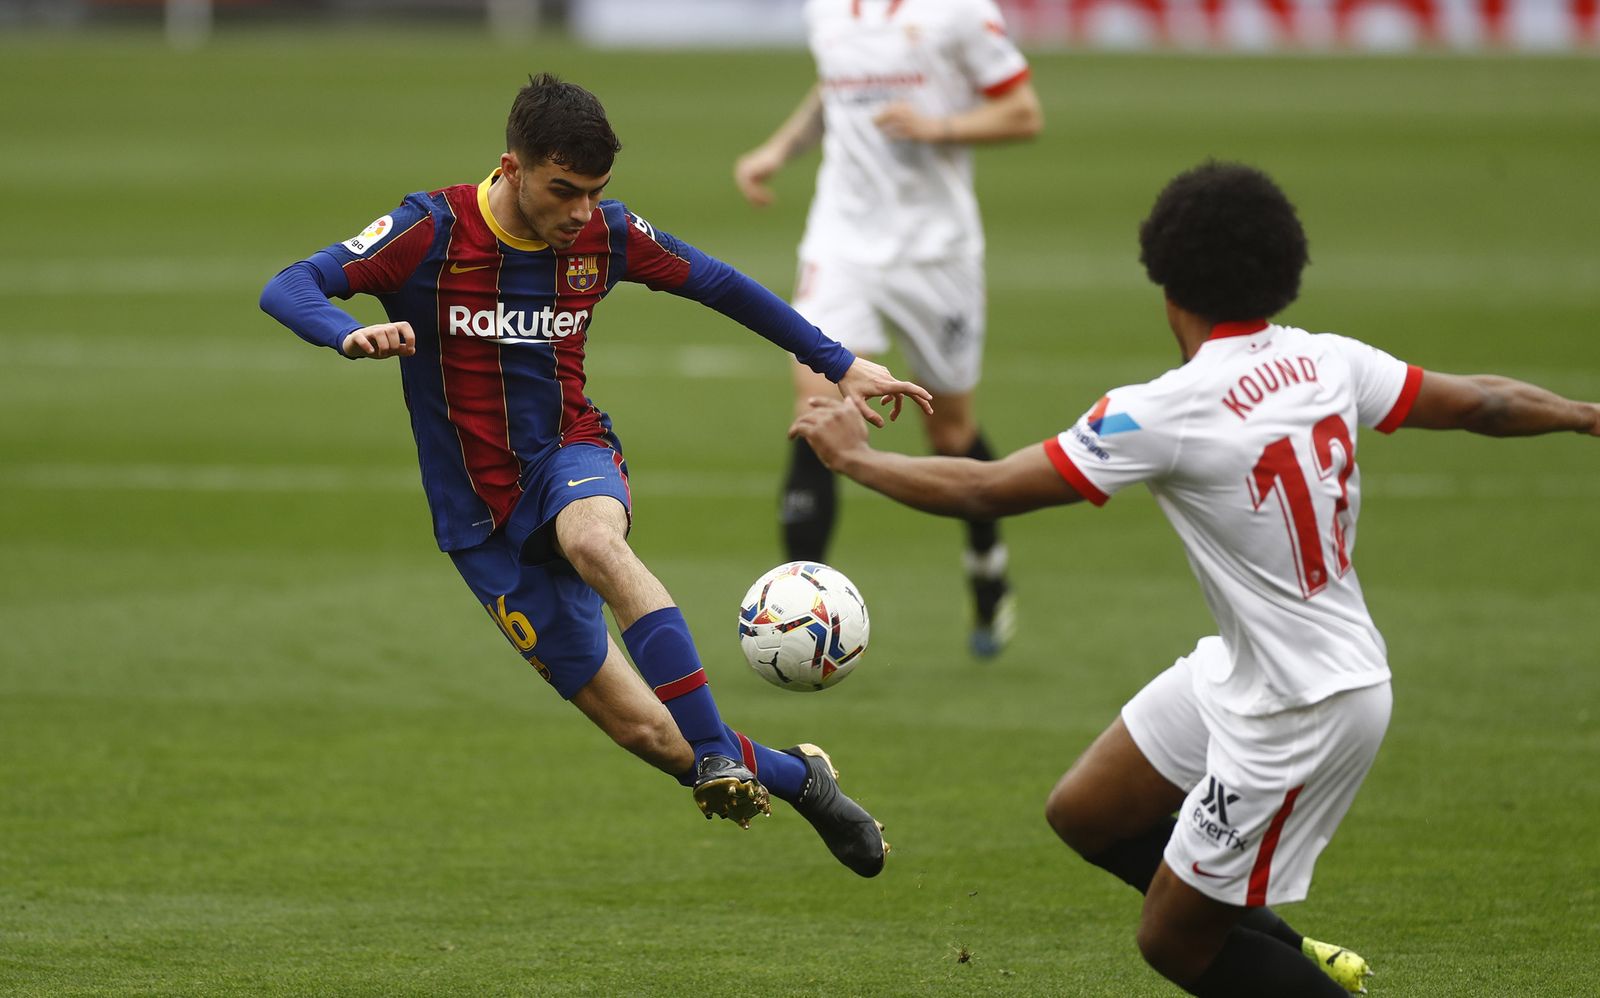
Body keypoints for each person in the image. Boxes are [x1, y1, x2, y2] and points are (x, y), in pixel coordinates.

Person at [791, 161, 1600, 990]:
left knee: (1172, 945)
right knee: (1088, 812)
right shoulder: (1328, 360)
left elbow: (990, 488)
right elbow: (1483, 403)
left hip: (1303, 705)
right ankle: (1280, 946)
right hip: (1251, 666)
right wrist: (1584, 414)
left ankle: (1279, 964)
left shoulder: (1165, 409)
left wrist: (857, 459)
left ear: (1165, 280)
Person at [259, 73, 934, 879]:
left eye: (595, 192)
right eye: (563, 190)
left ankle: (719, 754)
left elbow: (718, 282)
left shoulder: (604, 236)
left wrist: (840, 362)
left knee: (594, 542)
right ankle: (800, 778)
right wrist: (345, 334)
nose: (580, 211)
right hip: (478, 521)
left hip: (568, 454)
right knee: (649, 734)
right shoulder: (430, 230)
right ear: (510, 169)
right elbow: (289, 284)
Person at [734, 0, 1044, 657]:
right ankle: (797, 615)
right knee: (817, 402)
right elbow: (836, 85)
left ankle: (988, 572)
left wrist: (938, 127)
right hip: (841, 240)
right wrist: (779, 149)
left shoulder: (958, 12)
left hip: (937, 252)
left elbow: (1024, 112)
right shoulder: (827, 11)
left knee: (950, 429)